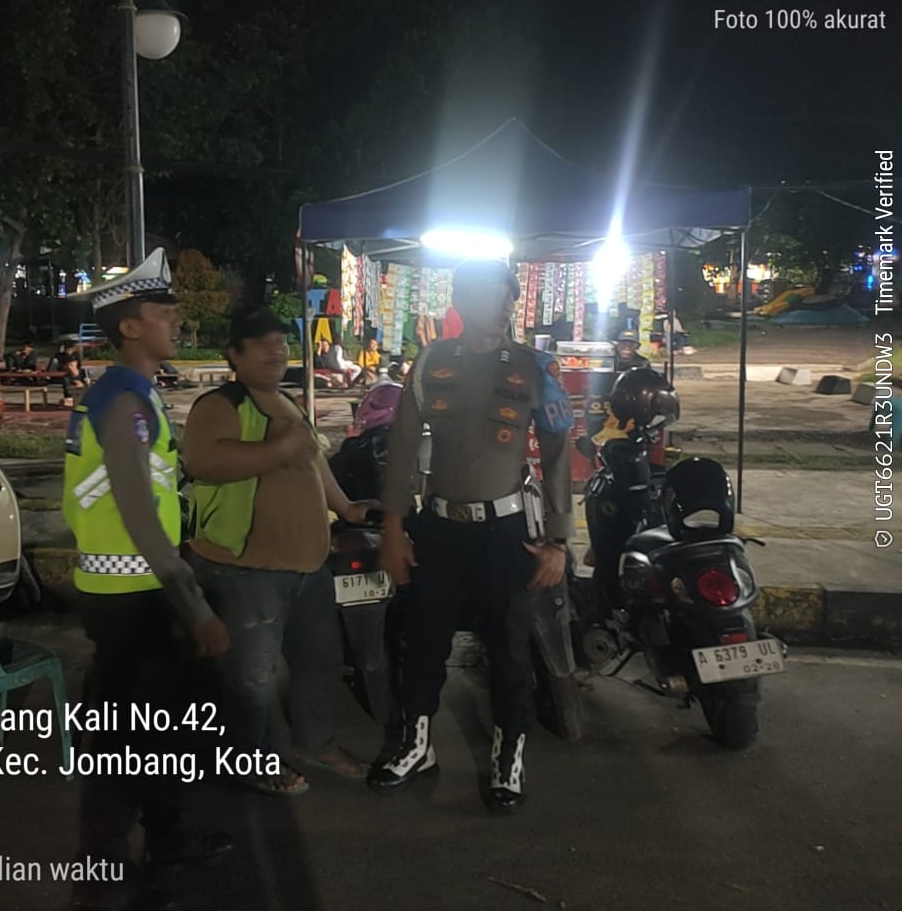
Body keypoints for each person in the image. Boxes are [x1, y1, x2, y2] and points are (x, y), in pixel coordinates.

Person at [368, 259, 574, 813]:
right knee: (423, 640)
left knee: (509, 649)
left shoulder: (536, 367)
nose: (505, 303)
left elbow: (558, 453)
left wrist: (558, 540)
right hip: (438, 528)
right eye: (491, 293)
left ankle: (510, 754)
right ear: (461, 300)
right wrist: (394, 527)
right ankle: (417, 744)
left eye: (509, 294)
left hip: (507, 533)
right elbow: (402, 447)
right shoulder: (432, 362)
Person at [61, 248, 232, 910]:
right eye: (164, 312)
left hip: (135, 593)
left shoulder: (133, 394)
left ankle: (169, 840)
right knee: (123, 748)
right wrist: (195, 607)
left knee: (156, 734)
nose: (176, 321)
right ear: (130, 327)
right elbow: (136, 513)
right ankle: (107, 881)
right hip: (130, 600)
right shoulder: (124, 401)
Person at [183, 308, 373, 796]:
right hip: (247, 569)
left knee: (318, 662)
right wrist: (281, 448)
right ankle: (248, 761)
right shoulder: (221, 404)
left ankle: (316, 743)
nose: (276, 350)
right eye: (262, 343)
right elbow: (204, 462)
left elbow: (314, 465)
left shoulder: (287, 402)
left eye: (281, 342)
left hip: (308, 566)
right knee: (252, 678)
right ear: (235, 354)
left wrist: (347, 508)